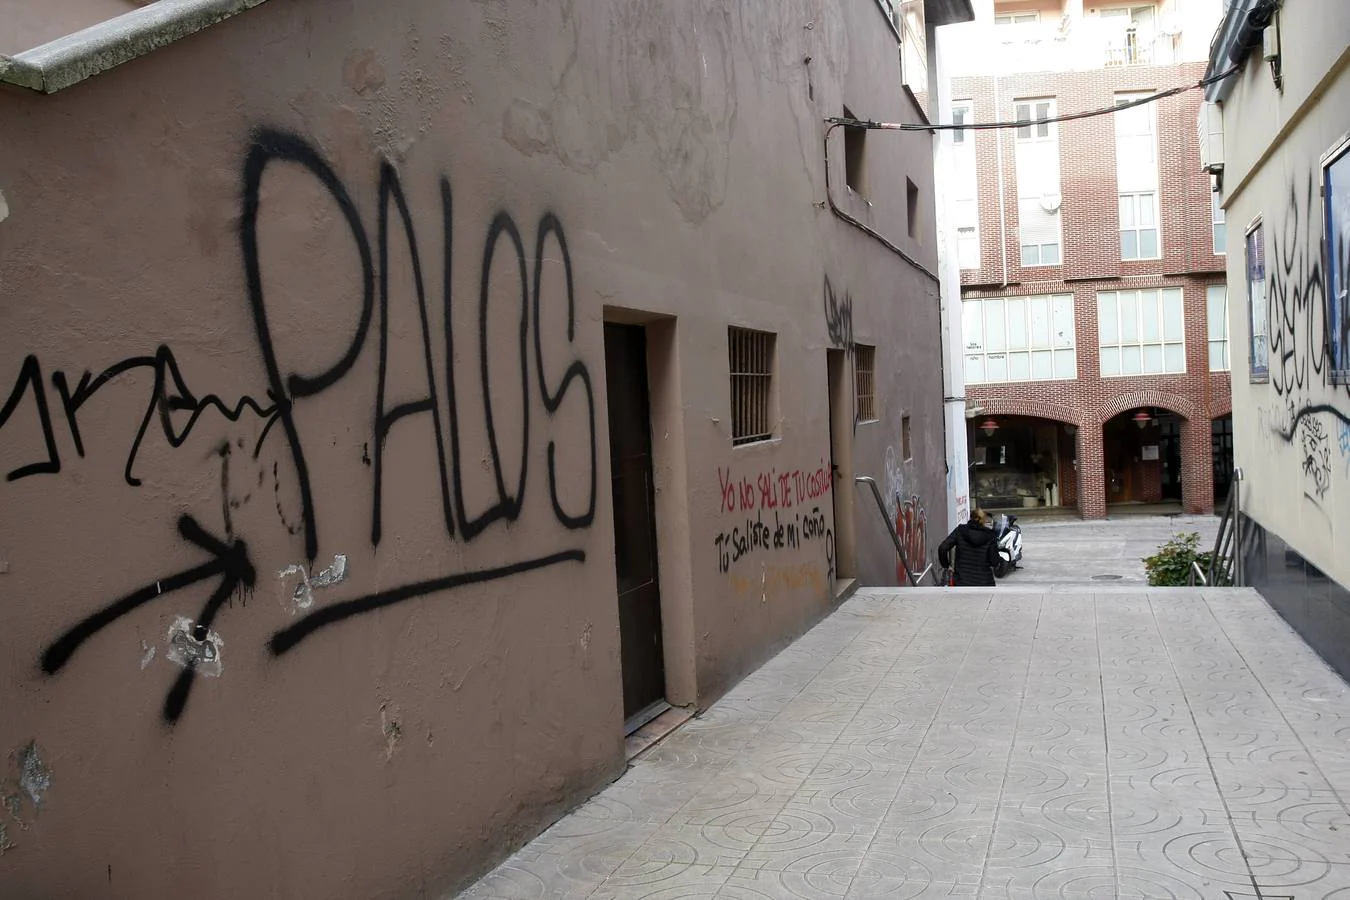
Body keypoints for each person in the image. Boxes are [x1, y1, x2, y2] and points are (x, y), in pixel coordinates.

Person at [937, 508, 1001, 587]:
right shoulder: (990, 535)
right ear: (983, 520)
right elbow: (994, 562)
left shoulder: (960, 531)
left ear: (970, 517)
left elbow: (942, 548)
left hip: (962, 582)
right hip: (985, 583)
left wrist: (946, 565)